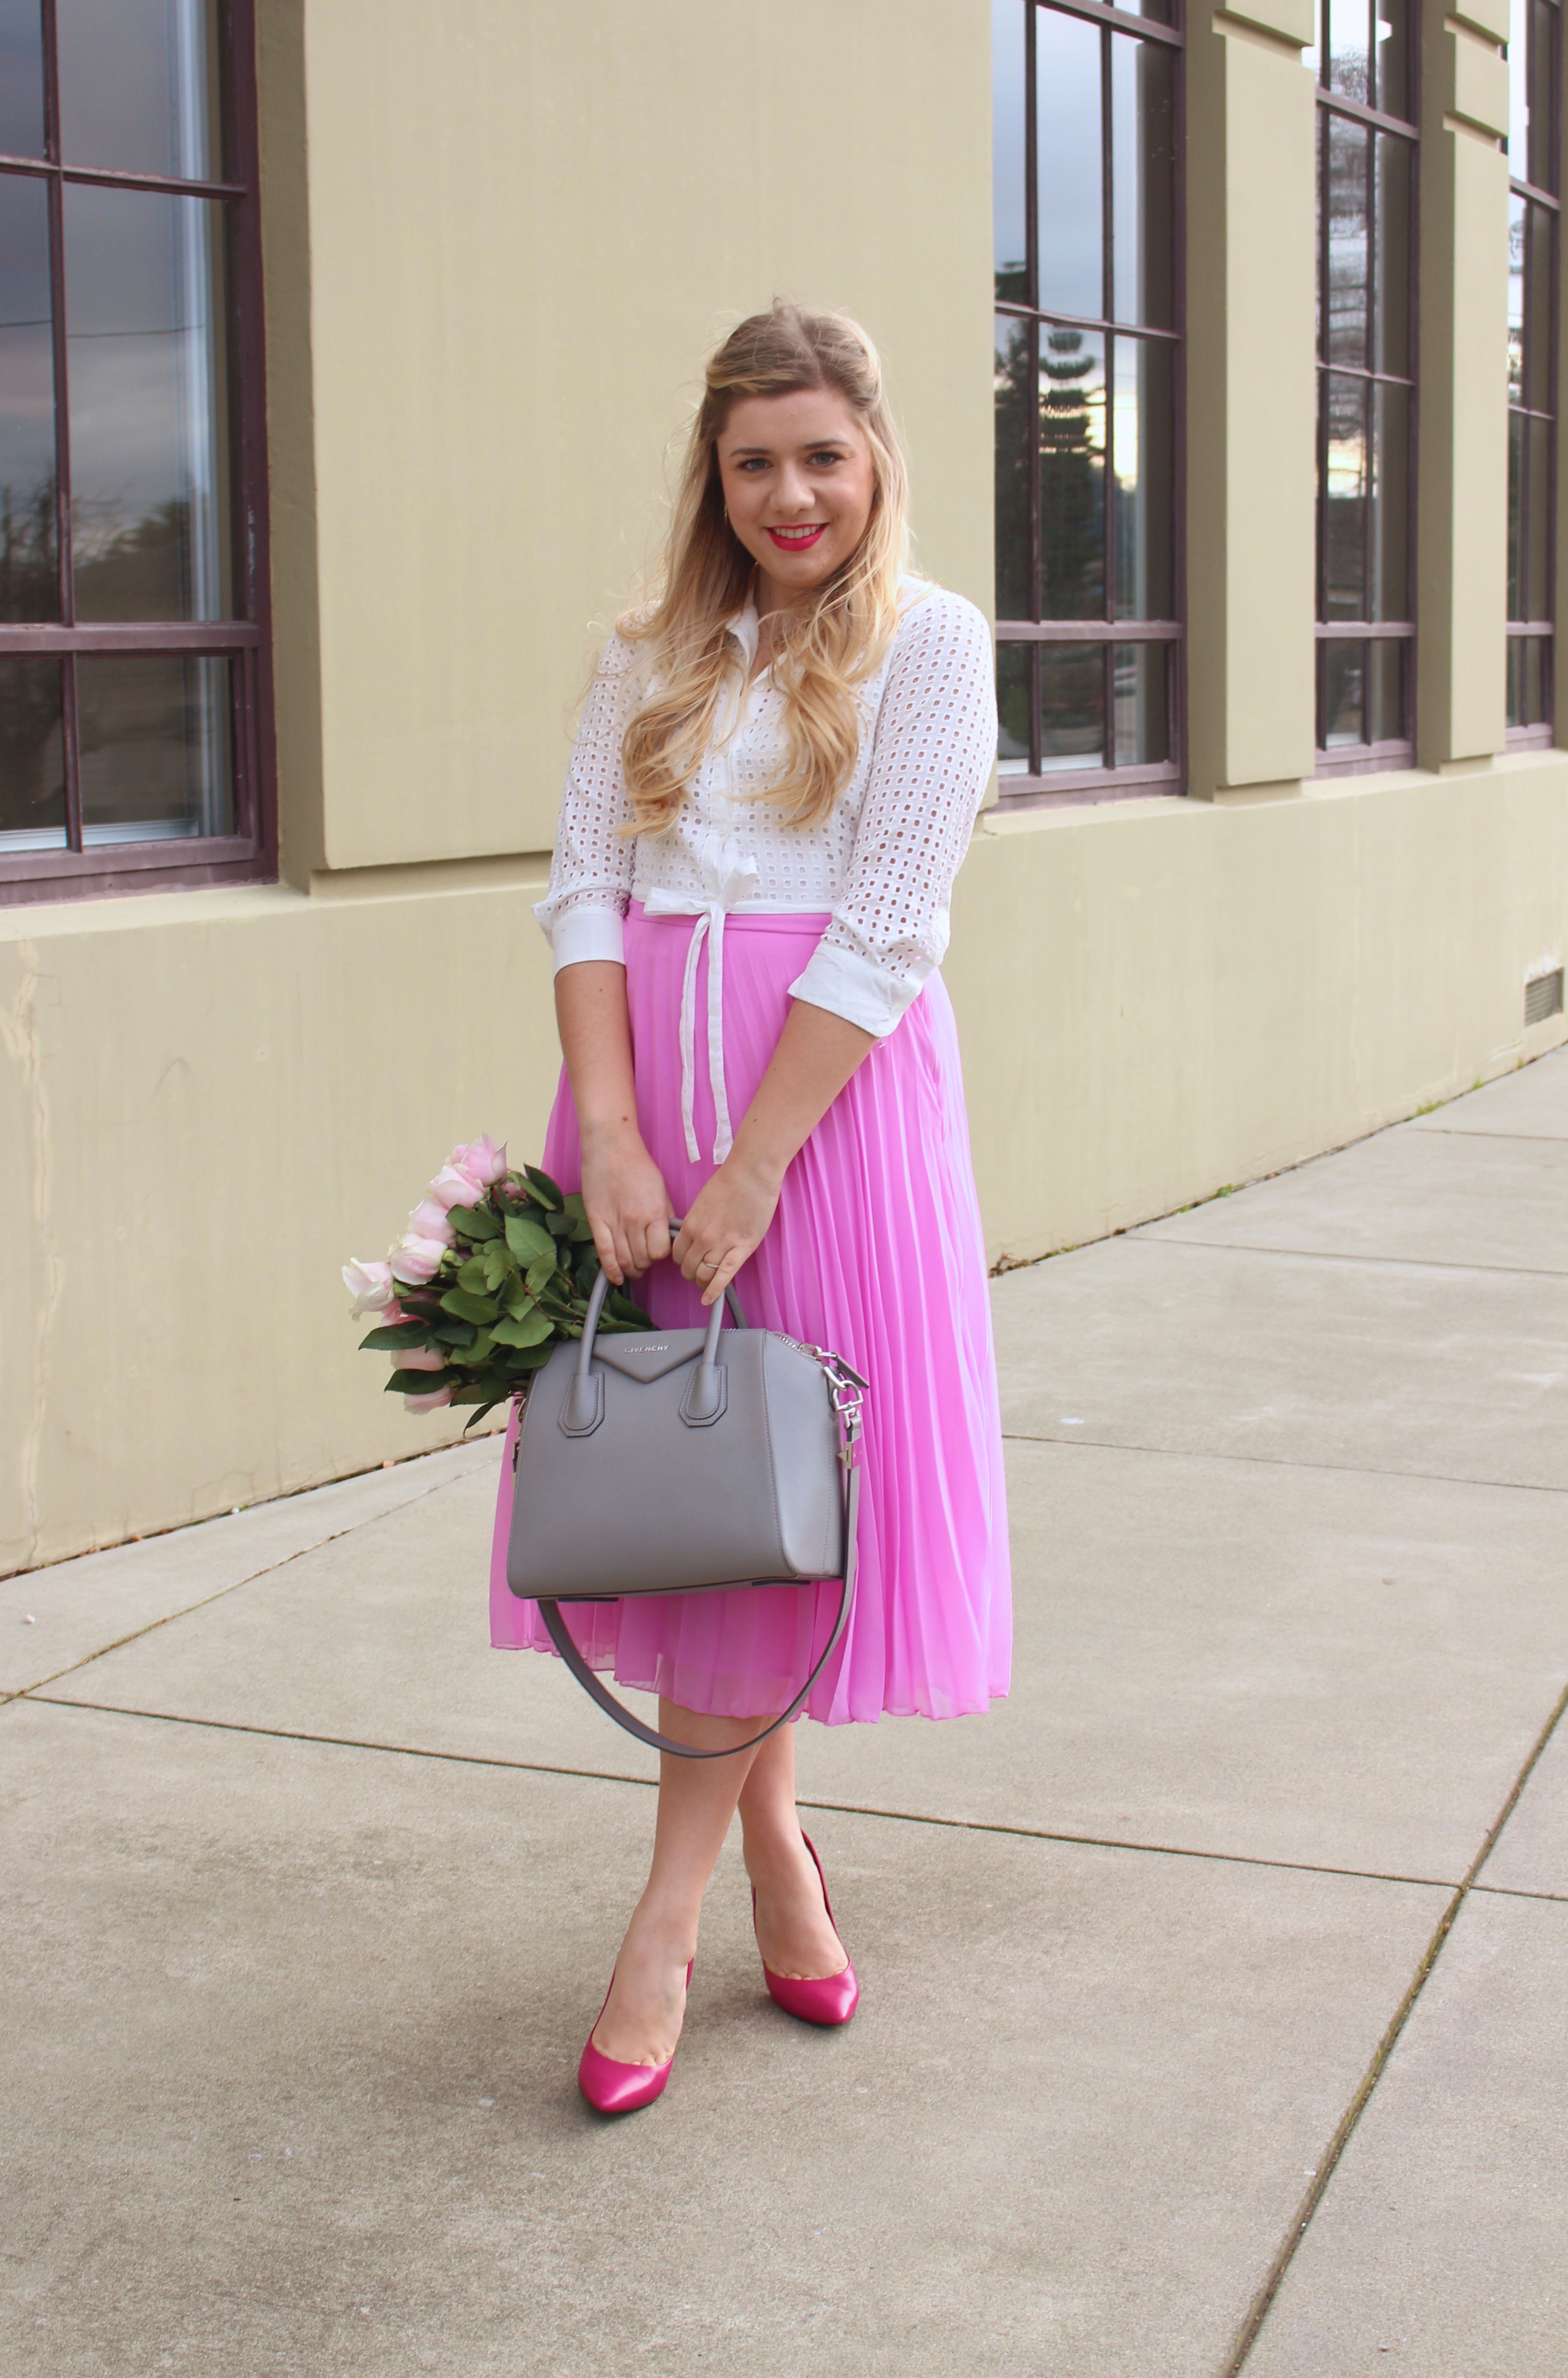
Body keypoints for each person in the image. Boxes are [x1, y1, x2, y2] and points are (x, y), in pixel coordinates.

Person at [488, 300, 1010, 2114]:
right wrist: (616, 1139)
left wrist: (758, 1164)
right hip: (647, 1097)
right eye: (754, 462)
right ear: (713, 477)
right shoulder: (649, 651)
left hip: (824, 1116)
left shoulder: (931, 648)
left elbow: (890, 922)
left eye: (823, 459)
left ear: (877, 464)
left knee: (786, 1488)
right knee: (701, 1501)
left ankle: (665, 1915)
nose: (791, 494)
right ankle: (784, 1861)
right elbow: (577, 891)